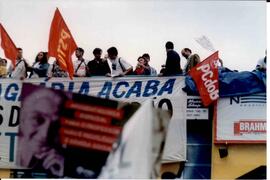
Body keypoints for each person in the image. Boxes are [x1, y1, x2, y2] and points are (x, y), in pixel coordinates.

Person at [17, 86, 68, 177]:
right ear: (23, 119)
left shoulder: (61, 163)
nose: (45, 134)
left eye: (55, 125)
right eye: (38, 119)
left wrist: (62, 175)